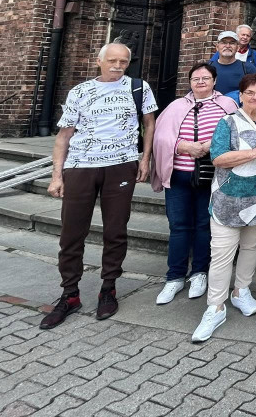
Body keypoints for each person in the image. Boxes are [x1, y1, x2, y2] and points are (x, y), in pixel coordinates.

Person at [40, 43, 158, 330]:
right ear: (99, 61)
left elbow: (149, 124)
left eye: (123, 61)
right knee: (71, 232)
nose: (117, 66)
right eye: (112, 60)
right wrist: (57, 175)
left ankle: (109, 288)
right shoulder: (79, 92)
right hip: (80, 166)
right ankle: (70, 294)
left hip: (121, 165)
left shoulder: (139, 88)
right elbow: (63, 135)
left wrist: (145, 159)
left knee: (115, 230)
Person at [190, 74, 256, 342]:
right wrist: (255, 152)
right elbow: (218, 158)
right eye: (249, 92)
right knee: (222, 255)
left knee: (252, 249)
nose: (255, 97)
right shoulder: (227, 122)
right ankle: (215, 307)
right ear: (240, 95)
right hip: (228, 202)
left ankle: (241, 291)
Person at [152, 63, 238, 306]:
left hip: (211, 176)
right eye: (196, 78)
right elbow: (162, 135)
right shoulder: (176, 106)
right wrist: (184, 147)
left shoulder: (227, 105)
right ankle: (175, 276)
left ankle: (200, 273)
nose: (200, 82)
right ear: (189, 82)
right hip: (179, 174)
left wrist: (210, 145)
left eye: (206, 78)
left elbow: (235, 131)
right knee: (179, 226)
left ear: (214, 81)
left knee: (203, 225)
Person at [213, 31, 256, 98]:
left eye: (232, 43)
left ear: (238, 48)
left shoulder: (248, 68)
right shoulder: (207, 68)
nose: (228, 46)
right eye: (224, 42)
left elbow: (255, 94)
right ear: (217, 47)